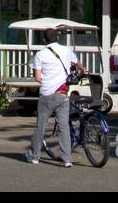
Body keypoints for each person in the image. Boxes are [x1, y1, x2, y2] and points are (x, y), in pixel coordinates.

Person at [26, 27, 84, 167]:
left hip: (46, 94)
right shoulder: (66, 50)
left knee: (41, 125)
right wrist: (80, 72)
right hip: (62, 94)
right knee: (64, 126)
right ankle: (67, 159)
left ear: (44, 40)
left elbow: (38, 78)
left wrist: (47, 78)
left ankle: (35, 156)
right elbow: (79, 65)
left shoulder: (40, 55)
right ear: (57, 38)